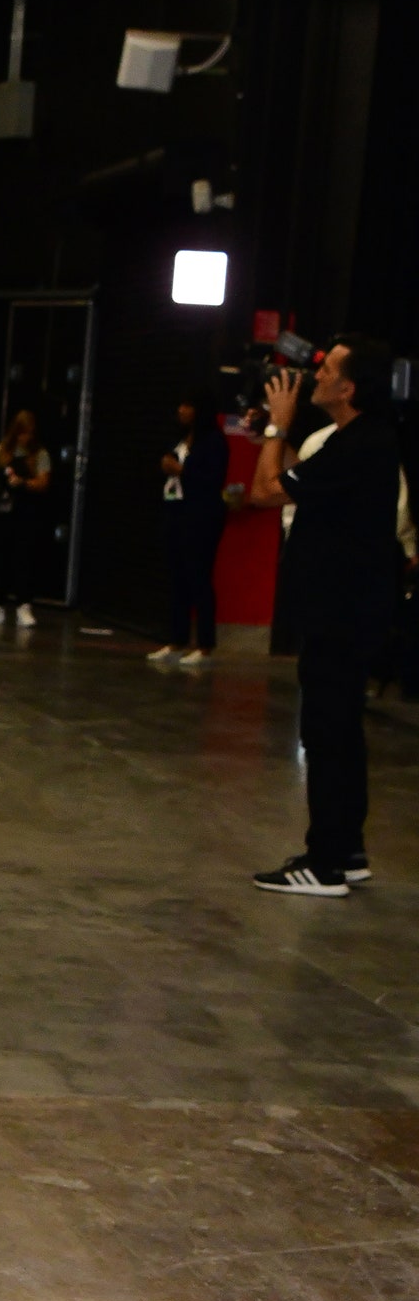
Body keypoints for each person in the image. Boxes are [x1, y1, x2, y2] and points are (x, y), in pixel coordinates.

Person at [248, 337, 401, 896]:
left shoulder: (361, 443)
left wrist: (273, 429)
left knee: (327, 729)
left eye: (328, 369)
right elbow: (302, 482)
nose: (316, 375)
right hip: (350, 609)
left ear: (348, 387)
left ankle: (325, 861)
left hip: (340, 612)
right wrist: (282, 436)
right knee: (341, 729)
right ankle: (348, 849)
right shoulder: (358, 441)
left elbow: (265, 491)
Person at [147, 389, 229, 666]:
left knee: (199, 578)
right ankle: (176, 640)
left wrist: (182, 471)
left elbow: (212, 480)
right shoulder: (181, 439)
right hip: (176, 511)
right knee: (176, 577)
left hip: (201, 517)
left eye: (187, 405)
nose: (181, 410)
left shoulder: (214, 442)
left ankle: (205, 644)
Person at [0, 408, 50, 630]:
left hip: (25, 514)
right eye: (22, 432)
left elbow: (43, 482)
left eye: (29, 433)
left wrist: (23, 483)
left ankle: (24, 605)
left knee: (23, 558)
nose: (26, 437)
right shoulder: (3, 450)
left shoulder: (39, 454)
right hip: (2, 510)